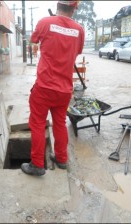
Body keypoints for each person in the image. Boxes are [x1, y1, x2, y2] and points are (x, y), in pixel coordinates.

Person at [21, 0, 85, 176]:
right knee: (60, 124)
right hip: (64, 89)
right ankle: (62, 159)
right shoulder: (79, 30)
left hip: (44, 87)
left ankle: (37, 164)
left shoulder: (44, 23)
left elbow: (33, 42)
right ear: (73, 9)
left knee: (38, 124)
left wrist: (38, 45)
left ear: (58, 5)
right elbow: (76, 52)